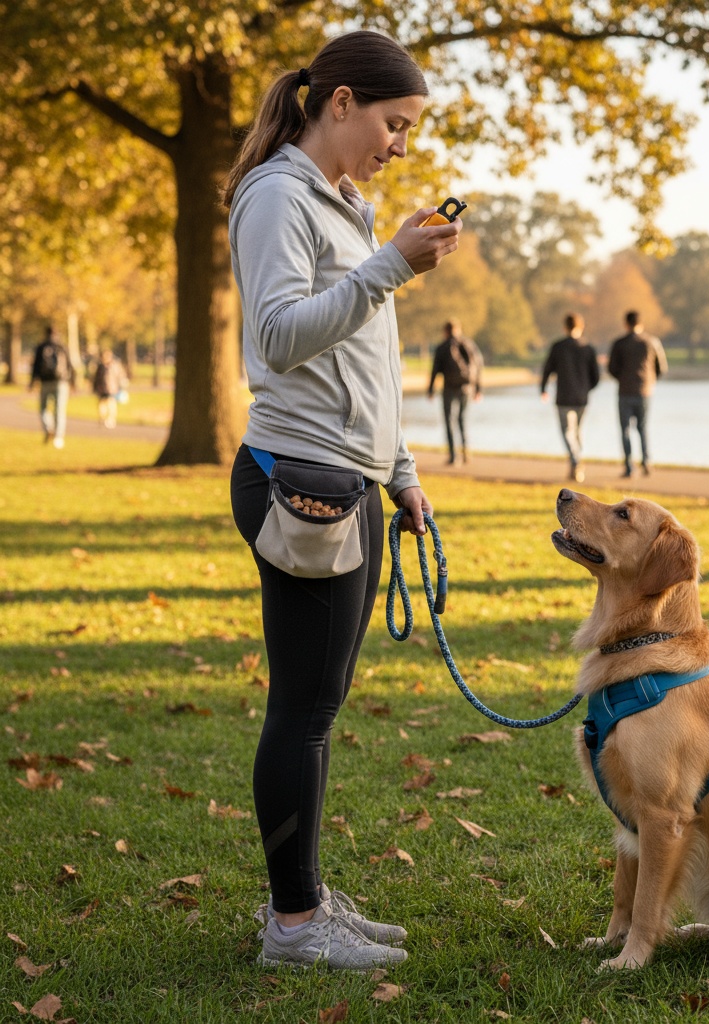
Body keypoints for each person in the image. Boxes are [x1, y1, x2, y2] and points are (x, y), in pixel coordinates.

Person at [222, 29, 461, 971]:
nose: (399, 145)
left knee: (318, 708)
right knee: (303, 710)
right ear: (341, 102)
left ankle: (305, 898)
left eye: (409, 130)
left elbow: (368, 361)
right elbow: (279, 338)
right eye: (393, 124)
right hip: (301, 479)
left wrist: (400, 471)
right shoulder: (278, 196)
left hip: (348, 477)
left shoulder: (344, 205)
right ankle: (293, 926)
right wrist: (390, 264)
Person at [540, 313, 600, 482]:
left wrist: (543, 388)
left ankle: (575, 461)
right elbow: (596, 376)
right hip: (582, 397)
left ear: (565, 327)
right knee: (577, 432)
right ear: (582, 326)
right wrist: (586, 389)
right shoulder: (588, 347)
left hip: (564, 396)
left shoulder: (558, 347)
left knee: (567, 432)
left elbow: (547, 369)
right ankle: (576, 462)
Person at [607, 310, 667, 478]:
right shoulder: (652, 342)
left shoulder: (619, 344)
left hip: (625, 392)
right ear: (641, 323)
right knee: (643, 428)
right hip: (645, 392)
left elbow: (612, 368)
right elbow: (662, 367)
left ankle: (629, 466)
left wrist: (622, 378)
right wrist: (650, 381)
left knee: (625, 430)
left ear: (626, 324)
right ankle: (646, 462)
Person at [427, 319, 483, 464]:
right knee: (462, 419)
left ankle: (453, 456)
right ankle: (465, 453)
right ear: (458, 329)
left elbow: (435, 370)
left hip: (449, 389)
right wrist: (478, 388)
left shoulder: (442, 347)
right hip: (466, 388)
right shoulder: (468, 344)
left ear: (446, 331)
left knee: (449, 421)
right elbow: (478, 364)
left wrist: (431, 390)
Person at [28, 325, 75, 448]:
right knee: (59, 409)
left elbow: (35, 366)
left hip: (45, 381)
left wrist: (32, 382)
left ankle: (48, 428)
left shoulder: (41, 347)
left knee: (43, 408)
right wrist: (73, 382)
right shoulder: (62, 346)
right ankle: (58, 437)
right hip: (61, 381)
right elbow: (70, 365)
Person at [91, 349, 129, 428]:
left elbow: (120, 375)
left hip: (112, 389)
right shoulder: (100, 366)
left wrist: (122, 384)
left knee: (111, 403)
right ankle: (102, 418)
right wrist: (95, 387)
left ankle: (110, 419)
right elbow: (96, 378)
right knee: (102, 404)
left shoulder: (114, 366)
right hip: (102, 389)